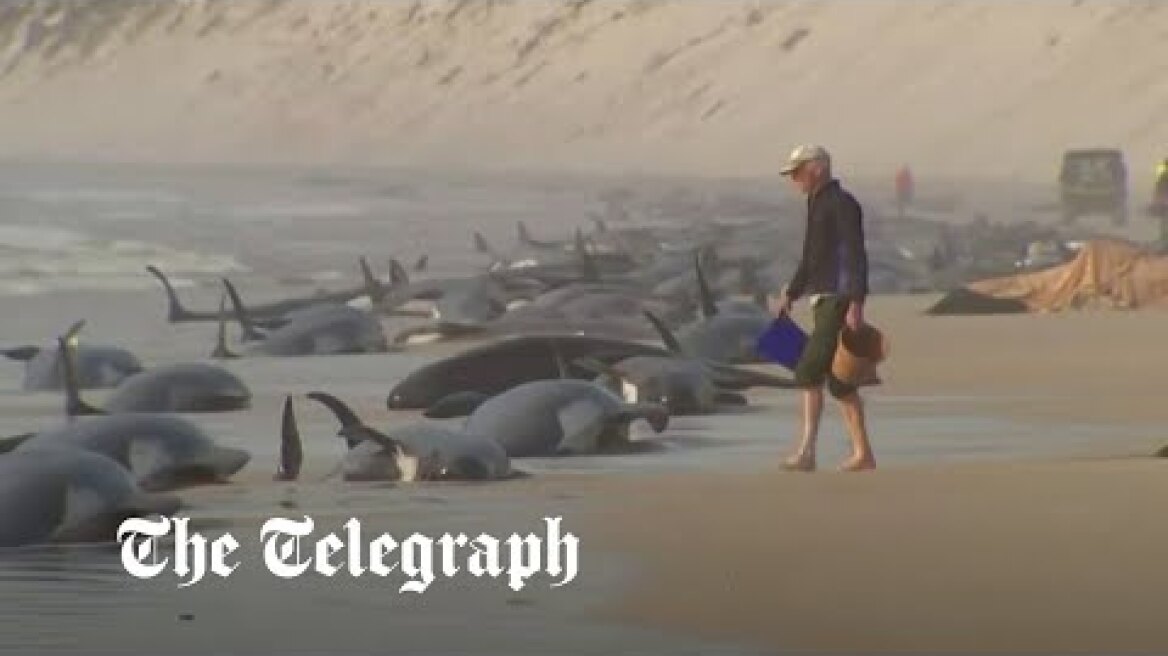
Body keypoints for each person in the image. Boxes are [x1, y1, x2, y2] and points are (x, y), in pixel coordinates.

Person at [769, 145, 876, 472]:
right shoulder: (816, 203)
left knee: (807, 371)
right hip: (823, 297)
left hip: (837, 298)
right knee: (841, 381)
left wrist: (855, 301)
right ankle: (863, 454)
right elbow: (811, 257)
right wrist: (794, 290)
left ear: (817, 168)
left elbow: (854, 255)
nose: (794, 180)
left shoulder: (842, 204)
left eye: (798, 172)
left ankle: (806, 453)